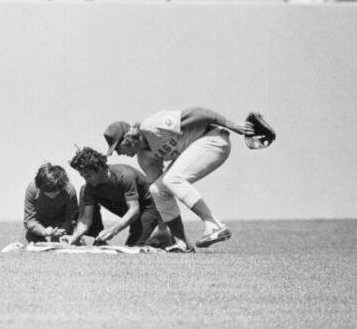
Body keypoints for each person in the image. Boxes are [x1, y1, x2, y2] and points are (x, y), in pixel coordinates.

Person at [103, 107, 254, 249]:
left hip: (213, 138)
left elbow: (197, 113)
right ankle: (183, 244)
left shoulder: (151, 126)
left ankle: (214, 225)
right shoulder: (144, 159)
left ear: (127, 139)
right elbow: (160, 193)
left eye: (117, 147)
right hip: (199, 147)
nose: (118, 153)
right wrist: (162, 229)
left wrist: (231, 124)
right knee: (157, 189)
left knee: (172, 179)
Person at [62, 147, 189, 252]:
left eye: (88, 175)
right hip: (127, 208)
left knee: (133, 249)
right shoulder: (89, 187)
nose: (86, 179)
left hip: (147, 208)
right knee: (85, 191)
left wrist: (113, 230)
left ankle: (163, 238)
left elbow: (134, 210)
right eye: (82, 175)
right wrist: (73, 239)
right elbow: (85, 220)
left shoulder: (125, 176)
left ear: (99, 168)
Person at [23, 163, 79, 243]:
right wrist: (43, 231)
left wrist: (64, 229)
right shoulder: (32, 189)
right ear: (40, 187)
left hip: (61, 226)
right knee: (22, 247)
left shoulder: (69, 190)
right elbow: (29, 220)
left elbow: (71, 218)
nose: (52, 195)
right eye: (48, 191)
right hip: (38, 227)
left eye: (56, 191)